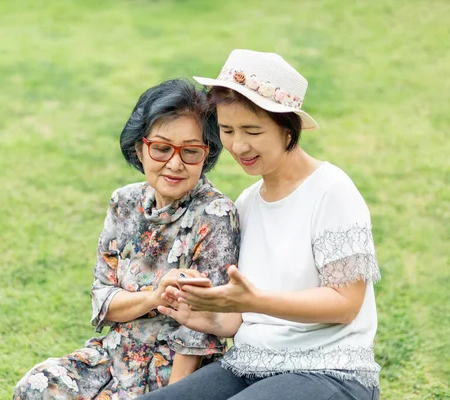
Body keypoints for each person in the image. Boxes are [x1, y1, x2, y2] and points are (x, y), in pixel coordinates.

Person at [140, 50, 381, 400]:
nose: (239, 145)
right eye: (227, 130)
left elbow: (345, 304)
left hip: (330, 371)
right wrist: (205, 313)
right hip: (248, 364)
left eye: (252, 130)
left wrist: (256, 300)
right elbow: (243, 319)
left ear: (287, 129)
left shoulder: (332, 191)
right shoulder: (248, 202)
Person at [13, 79, 240, 400]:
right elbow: (104, 298)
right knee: (37, 385)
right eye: (162, 148)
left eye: (190, 152)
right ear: (140, 148)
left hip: (179, 370)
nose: (175, 164)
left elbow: (199, 330)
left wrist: (171, 398)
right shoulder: (124, 202)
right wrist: (154, 297)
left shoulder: (216, 213)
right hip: (115, 355)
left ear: (206, 155)